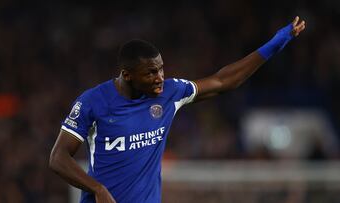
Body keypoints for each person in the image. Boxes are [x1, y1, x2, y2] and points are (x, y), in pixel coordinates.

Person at [49, 17, 306, 203]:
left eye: (160, 68)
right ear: (127, 75)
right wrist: (98, 190)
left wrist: (278, 41)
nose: (160, 77)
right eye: (151, 72)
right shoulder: (93, 102)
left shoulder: (170, 93)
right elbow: (58, 157)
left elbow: (223, 81)